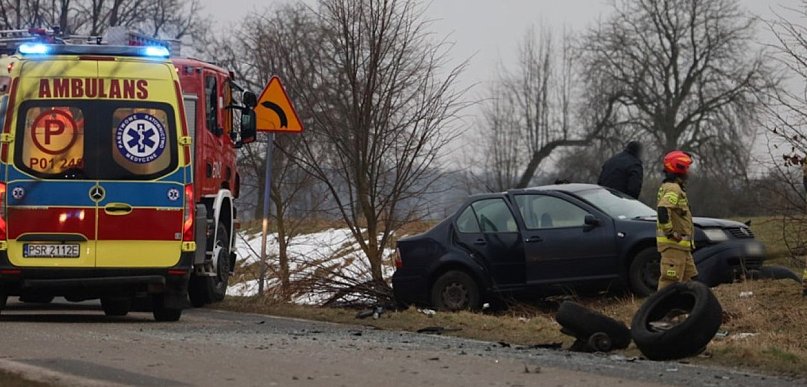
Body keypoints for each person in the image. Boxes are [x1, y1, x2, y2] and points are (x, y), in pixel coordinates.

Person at [656, 150, 696, 290]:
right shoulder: (673, 189)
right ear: (679, 168)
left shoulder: (672, 187)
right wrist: (670, 232)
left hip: (682, 248)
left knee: (690, 283)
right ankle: (662, 311)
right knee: (669, 286)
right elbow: (662, 209)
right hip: (674, 246)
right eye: (687, 168)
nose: (688, 172)